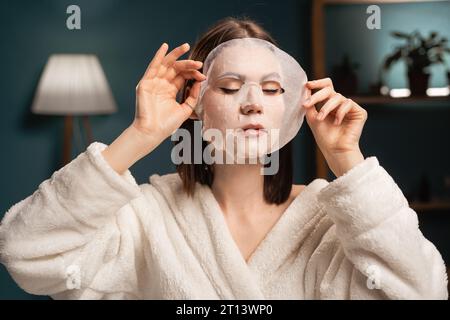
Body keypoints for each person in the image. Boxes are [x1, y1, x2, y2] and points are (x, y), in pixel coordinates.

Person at [0, 17, 447, 300]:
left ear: (293, 104)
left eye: (272, 90)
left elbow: (421, 291)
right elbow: (26, 254)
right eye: (230, 87)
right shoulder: (144, 216)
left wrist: (347, 158)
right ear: (194, 102)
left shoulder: (330, 221)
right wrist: (141, 135)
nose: (253, 103)